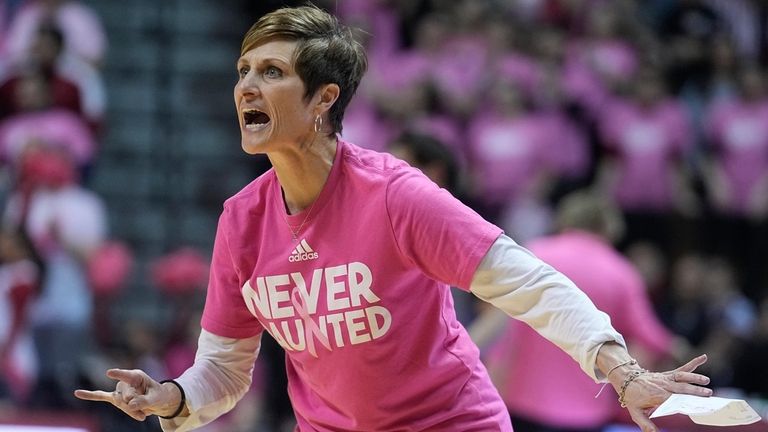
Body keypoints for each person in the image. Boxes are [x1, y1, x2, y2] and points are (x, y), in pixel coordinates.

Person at [74, 6, 712, 432]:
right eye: (243, 71)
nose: (245, 86)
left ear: (324, 100)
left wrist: (622, 372)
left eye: (270, 72)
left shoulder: (395, 194)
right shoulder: (241, 221)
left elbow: (530, 283)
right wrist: (175, 396)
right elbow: (225, 367)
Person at [471, 191, 686, 432]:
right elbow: (649, 335)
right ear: (609, 227)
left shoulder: (533, 254)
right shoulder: (621, 272)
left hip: (522, 400)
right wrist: (679, 347)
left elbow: (499, 327)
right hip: (586, 413)